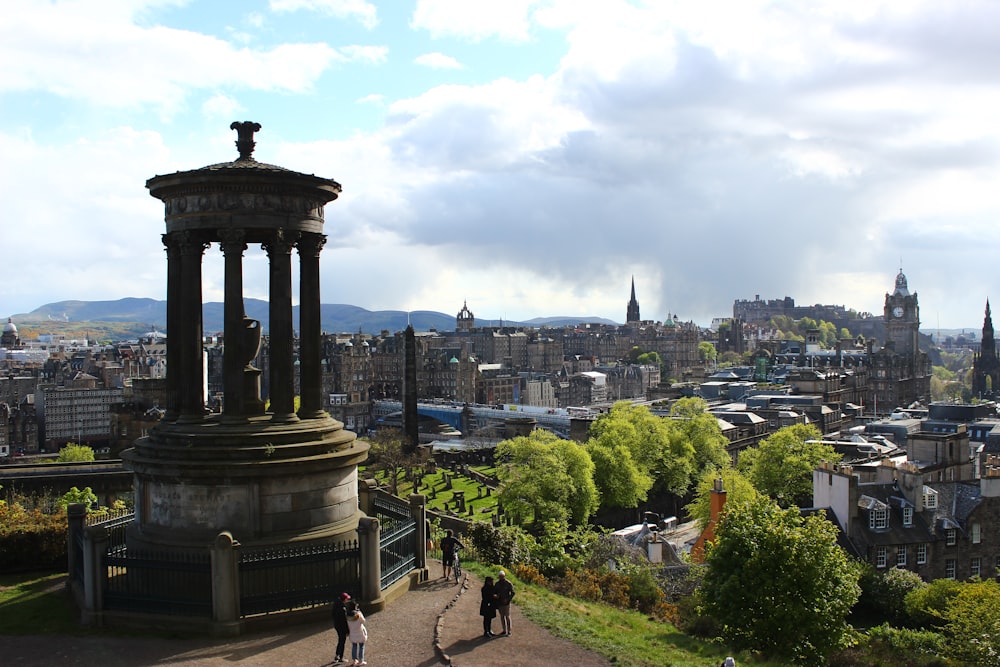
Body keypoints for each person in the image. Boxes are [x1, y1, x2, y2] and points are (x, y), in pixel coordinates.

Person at [346, 599, 368, 667]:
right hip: (360, 632)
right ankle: (361, 660)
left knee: (354, 646)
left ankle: (354, 660)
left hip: (352, 633)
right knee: (361, 646)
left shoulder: (347, 616)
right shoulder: (358, 614)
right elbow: (363, 621)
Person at [331, 592, 351, 663]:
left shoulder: (336, 604)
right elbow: (344, 622)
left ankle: (337, 655)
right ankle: (340, 657)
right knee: (342, 641)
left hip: (337, 625)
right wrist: (347, 631)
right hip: (341, 627)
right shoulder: (342, 609)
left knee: (340, 641)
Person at [494, 569, 515, 636]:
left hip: (506, 603)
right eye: (500, 576)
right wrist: (496, 596)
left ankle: (509, 630)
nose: (501, 577)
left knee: (507, 616)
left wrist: (508, 599)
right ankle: (504, 630)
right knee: (502, 617)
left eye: (502, 576)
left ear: (504, 576)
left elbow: (513, 593)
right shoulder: (497, 584)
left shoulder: (508, 583)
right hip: (500, 603)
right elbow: (495, 592)